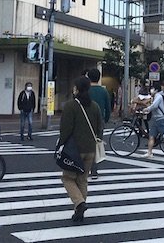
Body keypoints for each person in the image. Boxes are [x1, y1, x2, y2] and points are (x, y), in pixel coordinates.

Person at [59, 76, 102, 223]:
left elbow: (65, 129)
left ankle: (79, 203)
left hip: (74, 150)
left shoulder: (71, 106)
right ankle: (79, 212)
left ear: (77, 89)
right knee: (83, 179)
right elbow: (100, 127)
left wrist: (61, 143)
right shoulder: (94, 105)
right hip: (90, 148)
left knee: (68, 178)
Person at [87, 68, 111, 181]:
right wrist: (105, 119)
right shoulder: (103, 91)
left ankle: (83, 169)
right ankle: (94, 171)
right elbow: (108, 107)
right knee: (96, 145)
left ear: (88, 77)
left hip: (85, 120)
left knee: (83, 144)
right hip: (99, 121)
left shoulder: (85, 90)